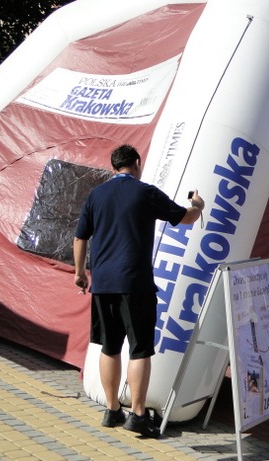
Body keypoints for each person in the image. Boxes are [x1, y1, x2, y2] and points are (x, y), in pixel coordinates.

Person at [72, 144, 204, 438]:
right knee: (140, 349)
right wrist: (197, 205)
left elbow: (80, 238)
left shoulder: (96, 195)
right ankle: (138, 414)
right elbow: (186, 217)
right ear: (137, 163)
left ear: (113, 167)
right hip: (135, 284)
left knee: (109, 346)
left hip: (103, 284)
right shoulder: (145, 192)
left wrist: (80, 273)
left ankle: (111, 410)